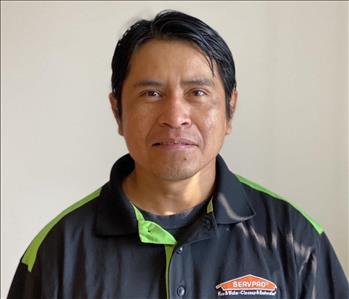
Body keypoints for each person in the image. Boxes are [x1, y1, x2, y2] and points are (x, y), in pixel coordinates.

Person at [8, 10, 348, 299]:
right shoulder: (58, 251)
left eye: (197, 92)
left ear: (230, 108)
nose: (175, 116)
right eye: (152, 93)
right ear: (117, 111)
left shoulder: (297, 242)